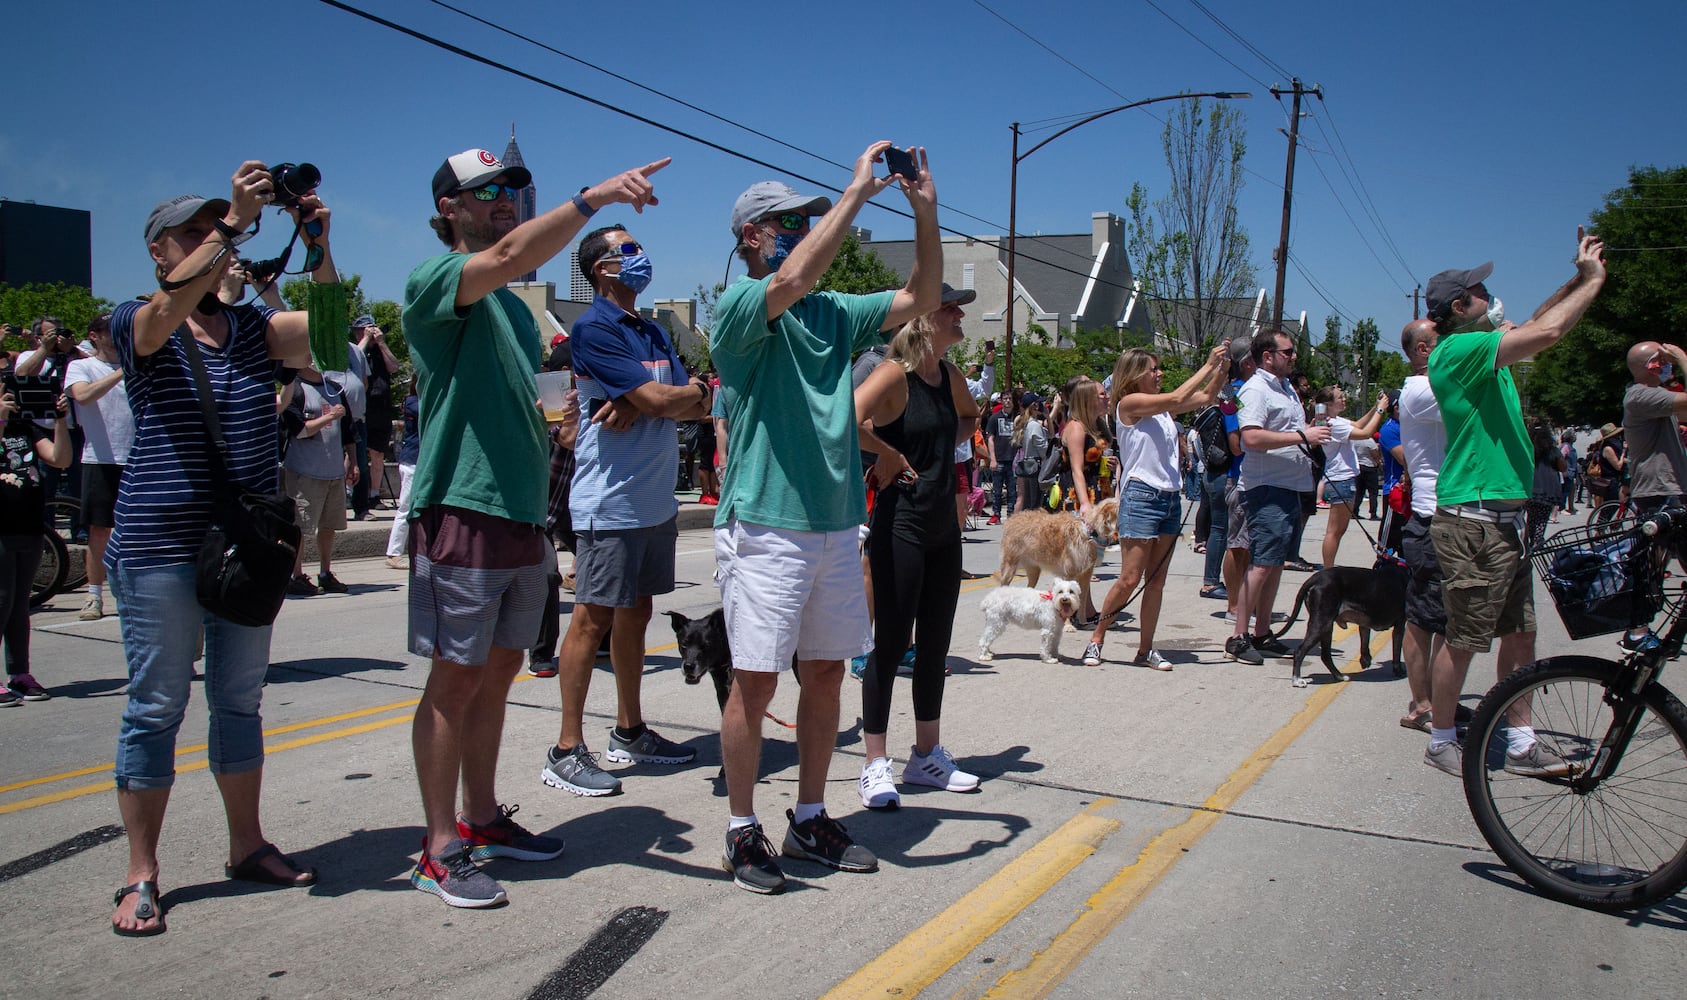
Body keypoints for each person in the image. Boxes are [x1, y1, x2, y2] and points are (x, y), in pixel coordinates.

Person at [402, 146, 665, 907]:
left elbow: (535, 401)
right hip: (463, 506)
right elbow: (514, 253)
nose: (505, 200)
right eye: (485, 192)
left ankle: (481, 819)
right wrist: (593, 199)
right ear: (448, 210)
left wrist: (560, 426)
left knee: (499, 673)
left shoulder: (516, 313)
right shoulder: (435, 280)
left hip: (522, 514)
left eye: (512, 187)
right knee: (454, 681)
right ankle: (437, 845)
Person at [108, 167, 333, 936]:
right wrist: (234, 224)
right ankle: (142, 873)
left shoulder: (248, 331)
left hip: (242, 545)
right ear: (156, 252)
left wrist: (316, 242)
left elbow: (329, 333)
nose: (211, 241)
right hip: (159, 545)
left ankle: (247, 846)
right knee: (156, 707)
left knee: (238, 702)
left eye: (218, 229)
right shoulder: (137, 318)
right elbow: (156, 323)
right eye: (192, 232)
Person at [710, 143, 940, 894]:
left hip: (836, 524)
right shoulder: (743, 305)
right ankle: (742, 829)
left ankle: (808, 816)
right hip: (767, 523)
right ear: (752, 234)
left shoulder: (835, 314)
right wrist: (854, 194)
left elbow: (921, 296)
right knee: (754, 683)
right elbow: (792, 275)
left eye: (807, 220)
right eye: (789, 221)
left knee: (825, 675)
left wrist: (923, 207)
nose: (803, 230)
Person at [1421, 231, 1605, 778]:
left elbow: (1533, 323)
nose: (1491, 297)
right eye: (1481, 290)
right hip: (1473, 521)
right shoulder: (1458, 351)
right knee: (1465, 639)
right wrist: (1594, 283)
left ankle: (1521, 740)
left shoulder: (1483, 351)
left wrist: (1577, 274)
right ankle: (1441, 738)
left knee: (1520, 632)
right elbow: (1548, 331)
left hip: (1501, 521)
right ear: (1461, 306)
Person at [539, 223, 709, 797]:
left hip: (654, 499)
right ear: (600, 269)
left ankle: (630, 730)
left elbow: (693, 400)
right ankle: (566, 748)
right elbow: (667, 398)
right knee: (593, 618)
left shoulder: (655, 331)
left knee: (637, 611)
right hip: (608, 502)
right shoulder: (593, 329)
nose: (641, 258)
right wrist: (654, 400)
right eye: (628, 250)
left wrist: (656, 401)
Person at [853, 288, 982, 810]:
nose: (960, 314)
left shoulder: (948, 376)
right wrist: (887, 452)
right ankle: (873, 763)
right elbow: (844, 420)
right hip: (899, 524)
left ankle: (925, 755)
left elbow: (970, 419)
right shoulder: (893, 374)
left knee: (935, 645)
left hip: (942, 528)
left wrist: (944, 458)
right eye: (951, 307)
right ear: (924, 318)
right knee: (890, 644)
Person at [1082, 344, 1228, 669]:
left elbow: (1205, 397)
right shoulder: (1129, 404)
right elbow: (1178, 398)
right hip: (1141, 497)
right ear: (1135, 374)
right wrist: (1207, 364)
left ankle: (1145, 649)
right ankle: (1097, 638)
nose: (1159, 373)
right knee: (1129, 578)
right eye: (1153, 369)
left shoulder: (1161, 411)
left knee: (1156, 581)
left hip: (1169, 499)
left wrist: (1224, 368)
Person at [1226, 329, 1328, 664]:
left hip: (1290, 485)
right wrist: (1302, 434)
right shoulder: (1256, 389)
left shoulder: (1284, 388)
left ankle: (1262, 631)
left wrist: (1310, 434)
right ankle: (1239, 636)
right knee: (1261, 563)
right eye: (1287, 352)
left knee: (1273, 564)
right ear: (1267, 355)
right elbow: (1250, 439)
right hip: (1265, 486)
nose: (1293, 357)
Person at [1395, 319, 1452, 733]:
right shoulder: (1420, 389)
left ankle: (1440, 701)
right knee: (1425, 617)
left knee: (1450, 619)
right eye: (1442, 340)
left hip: (1455, 514)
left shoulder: (1439, 385)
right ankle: (1423, 704)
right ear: (1422, 351)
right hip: (1432, 517)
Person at [0, 387, 71, 706]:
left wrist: (59, 421)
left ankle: (20, 673)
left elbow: (60, 458)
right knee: (1, 600)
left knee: (18, 605)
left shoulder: (23, 428)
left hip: (28, 524)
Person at [1617, 340, 1687, 649]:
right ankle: (1638, 633)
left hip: (1669, 491)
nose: (1669, 364)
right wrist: (1684, 358)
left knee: (1652, 565)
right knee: (1647, 566)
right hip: (1661, 493)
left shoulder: (1654, 397)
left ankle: (1661, 637)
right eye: (1664, 360)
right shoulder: (1642, 396)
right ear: (1652, 366)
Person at [65, 314, 133, 620]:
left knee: (137, 530)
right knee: (99, 530)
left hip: (138, 458)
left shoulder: (138, 364)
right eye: (109, 330)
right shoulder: (81, 366)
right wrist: (122, 372)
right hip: (101, 458)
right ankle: (93, 596)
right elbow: (81, 395)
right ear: (94, 335)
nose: (117, 334)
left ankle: (132, 594)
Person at [281, 365, 353, 595]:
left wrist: (353, 459)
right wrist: (330, 416)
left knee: (329, 526)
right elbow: (299, 430)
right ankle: (296, 574)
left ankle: (325, 572)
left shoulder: (334, 389)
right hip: (304, 471)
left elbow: (349, 429)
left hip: (333, 471)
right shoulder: (293, 389)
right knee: (301, 527)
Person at [1310, 384, 1390, 571]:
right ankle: (1328, 569)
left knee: (1339, 530)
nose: (1344, 399)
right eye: (1340, 397)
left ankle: (1329, 568)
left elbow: (1359, 425)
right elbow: (1365, 433)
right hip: (1341, 479)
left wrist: (1374, 407)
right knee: (1334, 531)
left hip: (1344, 478)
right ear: (1329, 404)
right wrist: (1380, 409)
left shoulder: (1335, 421)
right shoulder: (1332, 424)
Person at [1056, 375, 1109, 626]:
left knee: (1088, 561)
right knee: (1076, 561)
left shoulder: (1092, 425)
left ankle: (1085, 609)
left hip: (1092, 493)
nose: (1106, 397)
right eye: (1100, 394)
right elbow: (1076, 469)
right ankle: (1072, 614)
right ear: (1087, 399)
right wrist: (1085, 504)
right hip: (1079, 497)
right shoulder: (1076, 427)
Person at [355, 314, 400, 511]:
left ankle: (374, 494)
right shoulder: (355, 349)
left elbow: (394, 367)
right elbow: (353, 360)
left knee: (378, 453)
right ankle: (353, 492)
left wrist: (381, 343)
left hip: (381, 409)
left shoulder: (381, 351)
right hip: (360, 408)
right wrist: (364, 339)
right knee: (355, 453)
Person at [384, 385, 420, 571]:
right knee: (406, 507)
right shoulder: (413, 401)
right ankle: (394, 553)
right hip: (413, 462)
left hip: (424, 461)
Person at [984, 391, 1017, 524]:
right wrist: (992, 458)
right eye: (1005, 398)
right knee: (997, 490)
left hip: (1014, 459)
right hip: (999, 458)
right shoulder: (994, 418)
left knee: (1012, 490)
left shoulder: (1017, 417)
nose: (1008, 401)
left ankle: (1011, 514)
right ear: (1001, 401)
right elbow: (990, 439)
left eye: (1010, 398)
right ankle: (996, 514)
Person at [1586, 422, 1627, 522]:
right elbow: (1617, 466)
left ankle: (1601, 529)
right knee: (1610, 507)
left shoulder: (1611, 447)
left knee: (1612, 507)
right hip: (1610, 481)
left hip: (1614, 480)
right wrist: (1624, 453)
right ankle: (1599, 530)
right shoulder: (1608, 448)